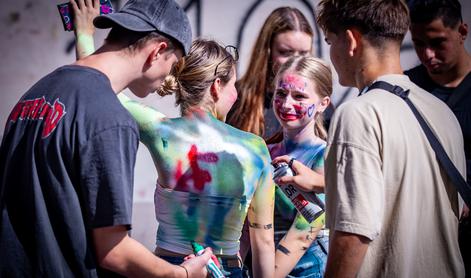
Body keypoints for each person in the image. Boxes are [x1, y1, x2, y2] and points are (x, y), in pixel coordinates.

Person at [0, 0, 212, 276]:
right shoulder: (111, 119)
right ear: (158, 51)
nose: (169, 78)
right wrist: (181, 273)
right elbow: (114, 250)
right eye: (174, 64)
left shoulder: (34, 96)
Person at [73, 3, 276, 277]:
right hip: (228, 270)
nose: (236, 95)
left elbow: (100, 82)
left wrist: (84, 32)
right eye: (233, 86)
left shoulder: (161, 132)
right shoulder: (256, 150)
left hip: (172, 269)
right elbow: (262, 241)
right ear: (217, 86)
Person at [316, 0, 466, 277]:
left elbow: (353, 234)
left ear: (350, 41)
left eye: (330, 41)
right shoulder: (442, 113)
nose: (330, 54)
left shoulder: (359, 114)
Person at [404, 1, 471, 275]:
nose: (427, 54)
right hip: (420, 234)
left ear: (462, 32)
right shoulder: (405, 89)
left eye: (437, 42)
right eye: (419, 43)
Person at [266, 56, 332, 277]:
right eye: (281, 94)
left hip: (307, 270)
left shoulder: (324, 156)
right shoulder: (265, 151)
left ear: (323, 103)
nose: (286, 104)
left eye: (299, 96)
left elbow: (303, 234)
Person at [226, 7, 314, 138]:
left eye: (303, 53)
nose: (296, 62)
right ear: (267, 51)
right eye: (286, 52)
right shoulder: (237, 98)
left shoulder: (319, 104)